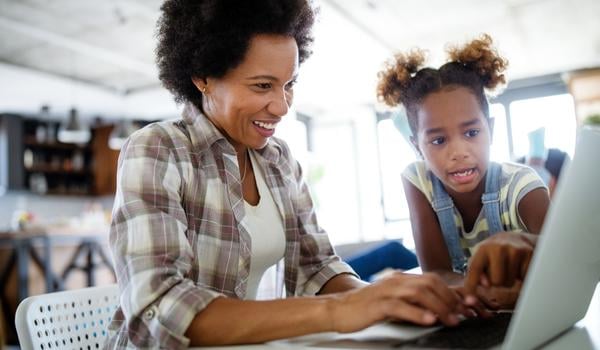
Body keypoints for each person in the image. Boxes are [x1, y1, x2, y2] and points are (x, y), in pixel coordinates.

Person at [106, 1, 469, 348]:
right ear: (203, 77)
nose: (281, 106)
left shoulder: (278, 161)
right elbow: (159, 307)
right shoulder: (158, 150)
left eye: (289, 84)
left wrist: (389, 301)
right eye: (262, 85)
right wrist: (339, 311)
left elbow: (318, 268)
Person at [376, 34, 550, 309]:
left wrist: (527, 244)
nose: (458, 151)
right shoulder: (418, 181)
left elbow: (564, 258)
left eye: (471, 132)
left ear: (490, 130)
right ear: (417, 147)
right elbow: (436, 273)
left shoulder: (522, 184)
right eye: (438, 140)